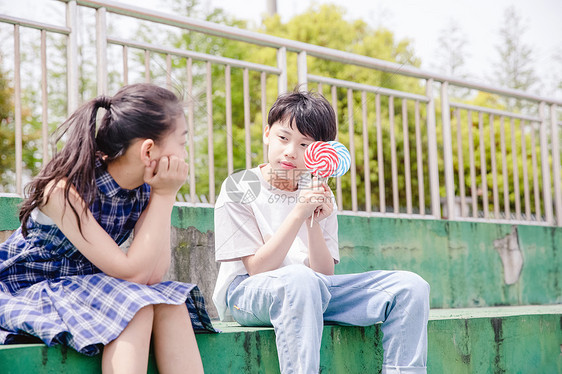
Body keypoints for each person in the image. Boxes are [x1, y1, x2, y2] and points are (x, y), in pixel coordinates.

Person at [0, 83, 215, 373]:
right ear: (148, 150)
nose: (185, 152)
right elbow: (132, 273)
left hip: (87, 287)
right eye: (182, 142)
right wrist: (165, 195)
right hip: (28, 288)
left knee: (172, 304)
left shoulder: (144, 189)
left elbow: (152, 275)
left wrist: (163, 196)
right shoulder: (64, 192)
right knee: (134, 308)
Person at [212, 88, 430, 374]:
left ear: (320, 152)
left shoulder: (319, 192)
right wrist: (299, 211)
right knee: (300, 280)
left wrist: (312, 219)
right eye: (283, 138)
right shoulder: (239, 187)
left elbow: (324, 276)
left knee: (411, 287)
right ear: (267, 133)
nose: (291, 151)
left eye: (305, 145)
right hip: (247, 296)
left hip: (313, 290)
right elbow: (257, 269)